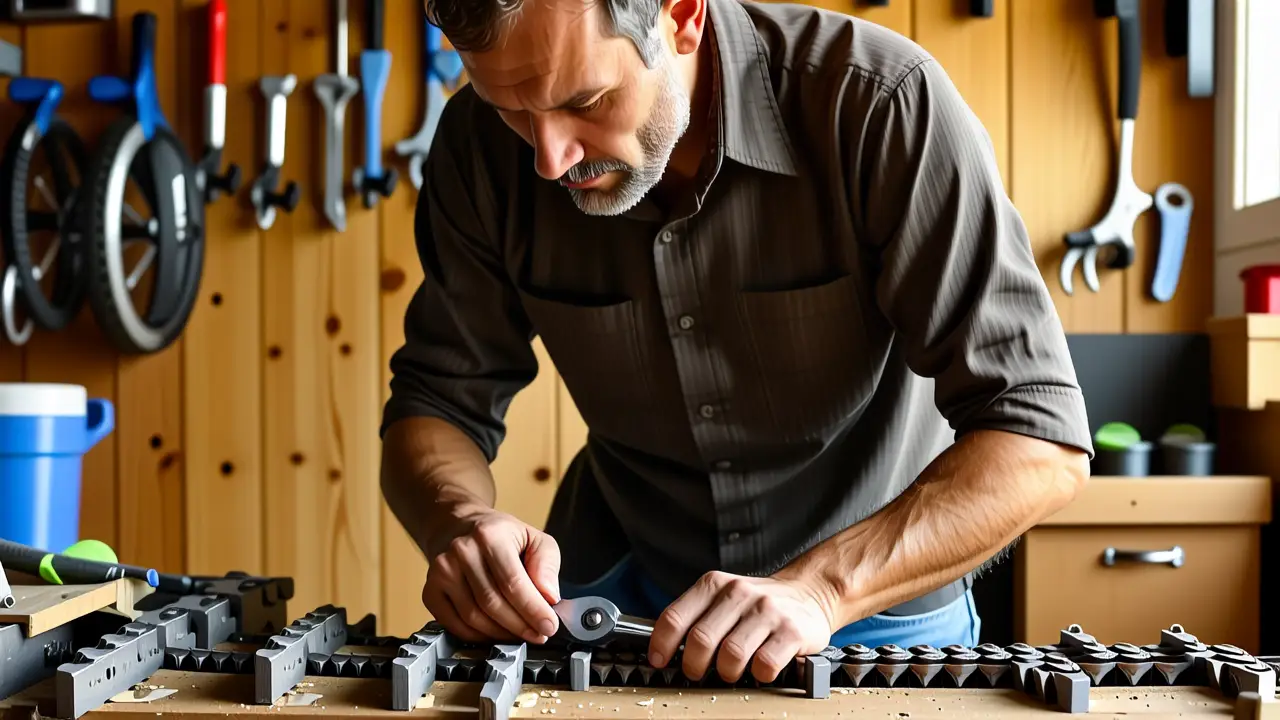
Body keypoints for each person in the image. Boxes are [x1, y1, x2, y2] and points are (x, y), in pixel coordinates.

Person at [379, 0, 1095, 687]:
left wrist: (821, 590)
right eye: (513, 111)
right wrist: (461, 524)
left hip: (873, 607)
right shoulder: (476, 147)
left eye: (586, 102)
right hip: (615, 601)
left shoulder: (880, 103)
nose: (548, 158)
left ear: (682, 15)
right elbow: (437, 402)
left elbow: (1039, 441)